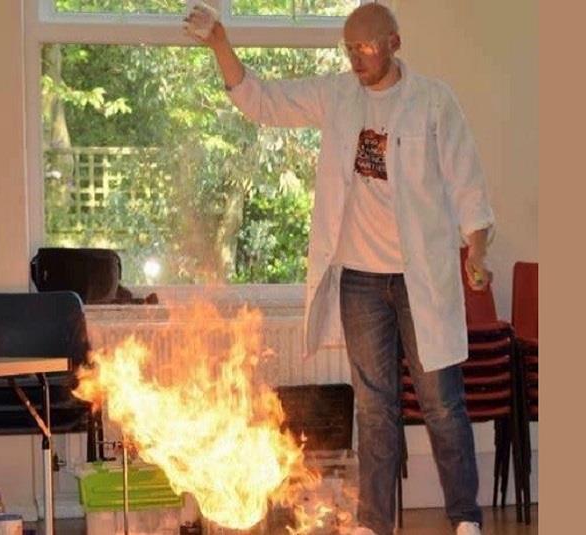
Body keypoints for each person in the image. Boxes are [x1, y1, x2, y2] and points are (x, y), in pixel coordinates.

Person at [186, 2, 494, 534]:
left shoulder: (433, 102)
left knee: (442, 404)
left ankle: (465, 519)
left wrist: (479, 251)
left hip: (422, 279)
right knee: (375, 411)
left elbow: (469, 186)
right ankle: (375, 524)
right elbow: (263, 101)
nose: (356, 57)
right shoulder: (336, 96)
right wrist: (220, 43)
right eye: (349, 47)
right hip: (360, 280)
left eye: (367, 46)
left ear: (394, 43)